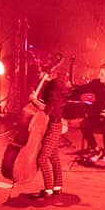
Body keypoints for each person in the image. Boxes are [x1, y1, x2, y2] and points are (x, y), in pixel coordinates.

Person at [70, 63, 105, 163]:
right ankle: (96, 149)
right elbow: (83, 88)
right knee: (84, 125)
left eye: (102, 74)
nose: (99, 76)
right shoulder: (96, 84)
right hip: (98, 116)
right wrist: (72, 86)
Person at [30, 65, 68, 199]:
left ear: (50, 73)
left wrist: (35, 101)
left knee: (42, 159)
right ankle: (57, 187)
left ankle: (48, 189)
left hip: (53, 126)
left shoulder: (53, 87)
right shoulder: (56, 85)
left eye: (42, 73)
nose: (40, 75)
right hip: (54, 124)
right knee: (54, 157)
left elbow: (49, 109)